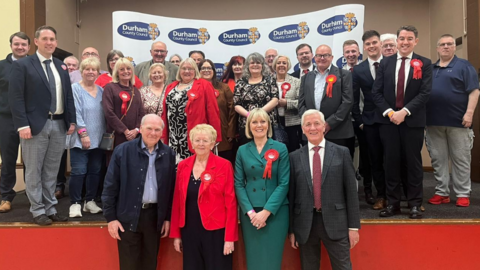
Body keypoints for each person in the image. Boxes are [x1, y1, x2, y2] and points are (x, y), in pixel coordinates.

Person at [9, 26, 76, 225]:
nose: (49, 42)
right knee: (33, 171)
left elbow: (68, 96)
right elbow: (16, 97)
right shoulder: (23, 65)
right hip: (34, 126)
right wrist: (22, 125)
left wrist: (70, 120)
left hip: (58, 125)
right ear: (36, 42)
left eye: (53, 39)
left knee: (52, 170)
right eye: (45, 39)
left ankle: (50, 207)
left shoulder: (61, 66)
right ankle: (37, 210)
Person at [372, 25, 432, 219]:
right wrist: (391, 113)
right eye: (402, 39)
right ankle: (393, 204)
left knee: (413, 164)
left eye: (409, 39)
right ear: (396, 41)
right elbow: (376, 92)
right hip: (389, 123)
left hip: (412, 122)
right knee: (390, 163)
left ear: (416, 41)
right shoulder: (385, 63)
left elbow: (425, 93)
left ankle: (414, 204)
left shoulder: (425, 63)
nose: (405, 42)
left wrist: (404, 112)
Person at [102, 114, 176, 270]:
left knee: (150, 264)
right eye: (149, 128)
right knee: (129, 265)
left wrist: (167, 218)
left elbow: (170, 190)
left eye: (157, 129)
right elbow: (110, 186)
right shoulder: (122, 151)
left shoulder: (168, 154)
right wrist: (111, 218)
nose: (153, 133)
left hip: (154, 218)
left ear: (162, 132)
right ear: (141, 129)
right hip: (127, 217)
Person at [289, 109, 360, 270]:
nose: (312, 128)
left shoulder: (341, 153)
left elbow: (351, 192)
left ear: (324, 127)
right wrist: (292, 230)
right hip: (305, 224)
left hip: (337, 222)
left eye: (316, 124)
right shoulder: (294, 157)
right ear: (302, 129)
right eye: (308, 124)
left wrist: (353, 227)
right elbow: (292, 196)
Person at [170, 124, 238, 270]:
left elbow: (231, 203)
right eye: (197, 140)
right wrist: (176, 234)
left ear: (213, 143)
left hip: (216, 232)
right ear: (192, 143)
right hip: (189, 231)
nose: (201, 144)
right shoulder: (183, 166)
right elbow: (178, 202)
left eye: (205, 140)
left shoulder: (224, 165)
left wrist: (229, 238)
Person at [426, 34, 479, 207]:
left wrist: (469, 113)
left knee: (461, 159)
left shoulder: (464, 66)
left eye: (449, 44)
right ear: (437, 48)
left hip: (459, 122)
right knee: (438, 159)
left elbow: (474, 91)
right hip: (433, 122)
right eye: (442, 44)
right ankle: (442, 192)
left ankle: (463, 193)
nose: (446, 47)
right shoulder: (431, 69)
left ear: (454, 47)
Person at [234, 108, 289, 270]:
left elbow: (284, 183)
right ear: (249, 126)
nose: (259, 125)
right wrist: (251, 213)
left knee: (272, 259)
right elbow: (238, 183)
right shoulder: (242, 150)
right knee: (254, 259)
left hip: (275, 213)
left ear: (268, 124)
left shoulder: (281, 148)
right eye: (255, 122)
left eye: (263, 121)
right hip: (250, 214)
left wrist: (266, 212)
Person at [161, 58, 221, 164]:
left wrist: (215, 137)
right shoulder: (171, 87)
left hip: (194, 138)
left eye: (190, 69)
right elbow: (165, 113)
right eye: (184, 68)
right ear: (179, 70)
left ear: (195, 71)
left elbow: (213, 111)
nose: (187, 71)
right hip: (173, 138)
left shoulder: (204, 85)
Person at [298, 44, 355, 158]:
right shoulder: (306, 77)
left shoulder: (344, 75)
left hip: (338, 131)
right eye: (319, 55)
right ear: (314, 58)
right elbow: (301, 104)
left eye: (326, 55)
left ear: (332, 57)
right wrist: (312, 123)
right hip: (312, 132)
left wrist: (329, 123)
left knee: (338, 169)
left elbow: (347, 102)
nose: (322, 58)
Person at [352, 30, 387, 210]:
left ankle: (394, 195)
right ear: (364, 48)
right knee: (374, 160)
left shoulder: (391, 64)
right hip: (370, 121)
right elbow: (354, 98)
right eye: (368, 44)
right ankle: (381, 195)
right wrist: (359, 121)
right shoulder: (359, 70)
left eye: (374, 42)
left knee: (391, 158)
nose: (371, 46)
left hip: (391, 120)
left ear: (380, 43)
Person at [68, 57, 105, 218]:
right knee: (78, 171)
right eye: (87, 69)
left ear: (98, 72)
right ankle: (75, 203)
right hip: (80, 138)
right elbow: (76, 113)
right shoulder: (75, 88)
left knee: (95, 171)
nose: (90, 72)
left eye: (94, 69)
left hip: (99, 139)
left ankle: (89, 201)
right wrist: (83, 134)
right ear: (81, 71)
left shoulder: (102, 90)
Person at [0, 32, 30, 213]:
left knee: (31, 160)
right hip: (6, 119)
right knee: (9, 159)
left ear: (29, 46)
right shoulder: (2, 66)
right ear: (11, 45)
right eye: (17, 44)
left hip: (30, 119)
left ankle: (33, 195)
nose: (20, 47)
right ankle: (6, 196)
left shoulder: (34, 65)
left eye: (23, 44)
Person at [102, 58, 145, 165]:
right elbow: (108, 112)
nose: (126, 71)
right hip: (117, 136)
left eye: (128, 69)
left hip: (134, 137)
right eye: (122, 69)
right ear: (117, 72)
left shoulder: (136, 91)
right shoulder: (110, 88)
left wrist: (136, 130)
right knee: (116, 167)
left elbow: (141, 113)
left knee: (132, 166)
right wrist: (125, 131)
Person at [233, 52, 278, 145]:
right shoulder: (241, 82)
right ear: (247, 66)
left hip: (266, 123)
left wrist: (259, 114)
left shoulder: (270, 80)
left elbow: (275, 99)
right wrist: (250, 115)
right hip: (246, 124)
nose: (255, 65)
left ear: (262, 65)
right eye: (252, 63)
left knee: (268, 152)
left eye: (258, 63)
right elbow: (236, 105)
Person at [199, 59, 237, 164]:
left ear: (214, 71)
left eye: (209, 68)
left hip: (223, 135)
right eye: (203, 68)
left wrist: (231, 132)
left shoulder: (224, 88)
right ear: (198, 71)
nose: (206, 70)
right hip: (200, 135)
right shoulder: (194, 89)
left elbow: (232, 110)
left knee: (223, 164)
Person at [273, 55, 302, 152]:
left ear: (288, 65)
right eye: (278, 63)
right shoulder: (268, 82)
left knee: (293, 150)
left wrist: (287, 103)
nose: (281, 65)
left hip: (292, 123)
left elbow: (301, 102)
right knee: (276, 151)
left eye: (284, 63)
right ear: (274, 65)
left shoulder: (296, 82)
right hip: (274, 122)